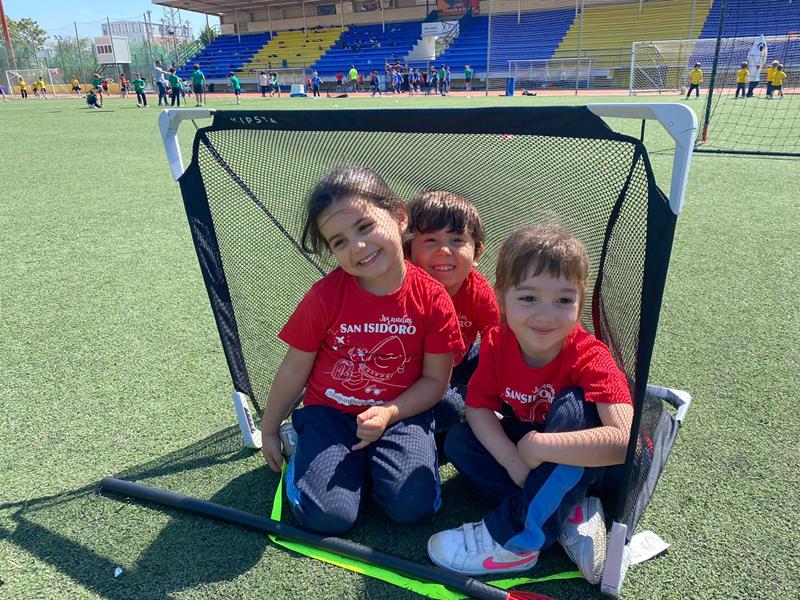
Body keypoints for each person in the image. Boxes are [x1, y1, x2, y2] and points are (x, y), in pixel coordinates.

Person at [259, 166, 464, 534]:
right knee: (328, 517)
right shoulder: (325, 297)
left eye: (365, 226)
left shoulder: (433, 299)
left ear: (399, 216)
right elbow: (294, 369)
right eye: (339, 242)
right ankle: (305, 448)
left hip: (400, 412)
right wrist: (270, 430)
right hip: (331, 412)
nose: (356, 246)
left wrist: (389, 413)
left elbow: (436, 381)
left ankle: (376, 468)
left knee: (413, 506)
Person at [427, 224, 633, 584]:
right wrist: (511, 459)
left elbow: (623, 443)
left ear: (579, 301)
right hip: (531, 454)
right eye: (528, 298)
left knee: (574, 406)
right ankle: (567, 510)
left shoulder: (589, 355)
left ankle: (516, 539)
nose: (545, 315)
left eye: (563, 301)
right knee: (460, 441)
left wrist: (541, 446)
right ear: (501, 297)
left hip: (588, 462)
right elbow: (477, 408)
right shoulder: (497, 342)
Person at [407, 191, 500, 436]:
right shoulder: (403, 286)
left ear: (477, 253)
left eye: (457, 240)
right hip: (414, 372)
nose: (444, 250)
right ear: (409, 251)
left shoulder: (479, 292)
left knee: (496, 360)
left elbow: (495, 339)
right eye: (430, 240)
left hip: (458, 360)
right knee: (450, 406)